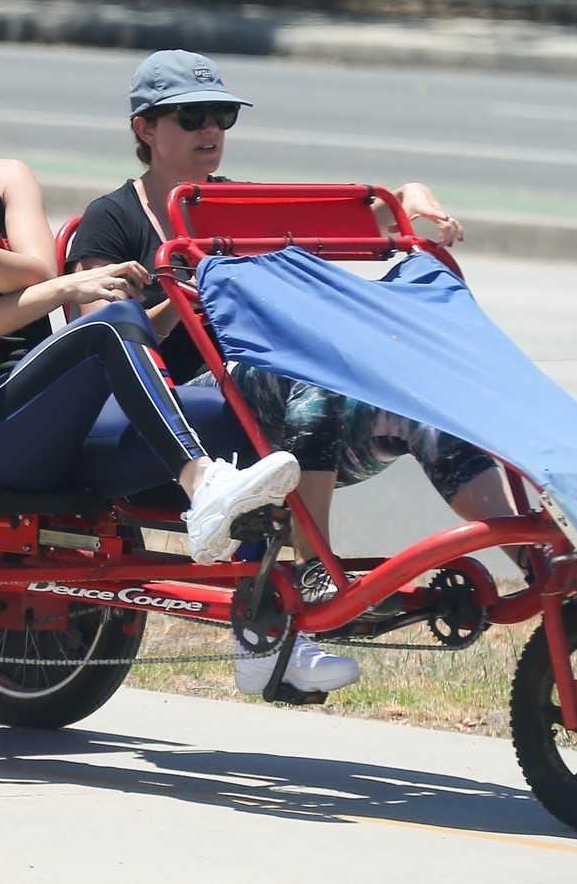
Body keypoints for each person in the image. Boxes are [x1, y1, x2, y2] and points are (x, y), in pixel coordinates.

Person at [67, 49, 522, 697]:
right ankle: (314, 575)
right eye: (191, 116)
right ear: (144, 128)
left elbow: (344, 223)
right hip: (172, 420)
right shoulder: (112, 219)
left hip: (279, 413)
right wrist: (183, 292)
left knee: (419, 406)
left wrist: (409, 197)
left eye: (222, 115)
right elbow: (101, 336)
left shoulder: (233, 205)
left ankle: (537, 564)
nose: (210, 129)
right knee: (310, 377)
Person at [0, 34, 306, 570]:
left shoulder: (5, 178)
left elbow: (37, 270)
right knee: (110, 324)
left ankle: (279, 596)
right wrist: (63, 288)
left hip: (51, 416)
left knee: (242, 405)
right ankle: (201, 483)